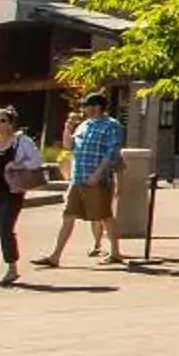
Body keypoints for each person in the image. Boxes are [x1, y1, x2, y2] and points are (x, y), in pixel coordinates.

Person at [44, 92, 123, 267]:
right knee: (68, 215)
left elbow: (111, 153)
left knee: (104, 215)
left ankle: (116, 252)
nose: (86, 109)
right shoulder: (84, 125)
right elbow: (69, 145)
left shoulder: (111, 126)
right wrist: (67, 128)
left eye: (88, 106)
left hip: (97, 179)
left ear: (98, 107)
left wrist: (98, 174)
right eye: (85, 106)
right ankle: (55, 256)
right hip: (78, 178)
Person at [0, 107, 44, 285]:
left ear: (11, 123)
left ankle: (12, 268)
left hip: (11, 191)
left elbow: (36, 161)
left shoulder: (21, 142)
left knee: (5, 229)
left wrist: (17, 165)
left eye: (3, 121)